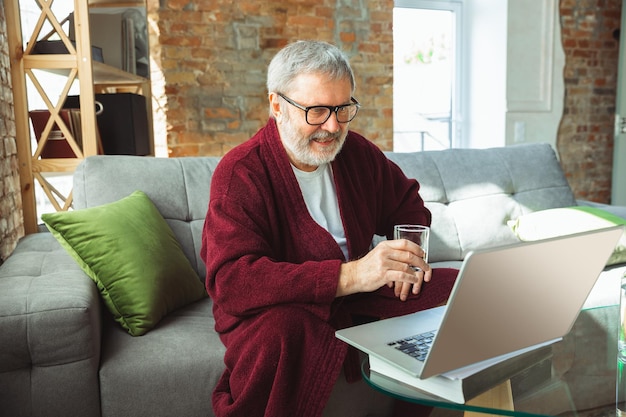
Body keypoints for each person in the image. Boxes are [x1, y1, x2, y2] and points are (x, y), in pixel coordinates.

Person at [201, 40, 458, 417]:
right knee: (285, 333)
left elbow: (409, 205)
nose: (333, 126)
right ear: (277, 105)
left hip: (357, 297)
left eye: (343, 108)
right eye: (317, 110)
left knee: (454, 290)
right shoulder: (240, 173)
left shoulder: (356, 153)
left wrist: (407, 256)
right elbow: (233, 282)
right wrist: (350, 275)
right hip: (278, 308)